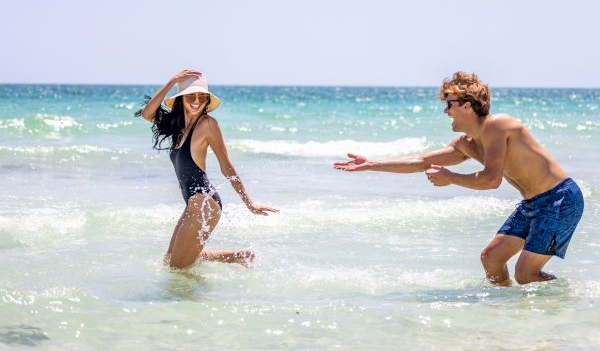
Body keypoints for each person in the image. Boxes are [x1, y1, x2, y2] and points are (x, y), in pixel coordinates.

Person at [334, 71, 584, 286]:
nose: (445, 110)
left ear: (467, 105)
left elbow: (491, 180)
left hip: (559, 198)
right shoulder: (467, 143)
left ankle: (573, 300)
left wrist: (450, 177)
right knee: (492, 258)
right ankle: (508, 311)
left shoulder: (498, 125)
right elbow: (421, 161)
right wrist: (371, 164)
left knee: (525, 274)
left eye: (449, 103)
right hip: (533, 204)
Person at [136, 69, 278, 270]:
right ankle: (241, 256)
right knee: (171, 259)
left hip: (204, 206)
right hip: (192, 204)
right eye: (191, 96)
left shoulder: (208, 125)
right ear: (181, 98)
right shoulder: (177, 126)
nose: (196, 101)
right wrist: (172, 81)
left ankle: (191, 299)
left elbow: (226, 167)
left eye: (201, 97)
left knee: (178, 269)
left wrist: (250, 203)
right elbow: (147, 113)